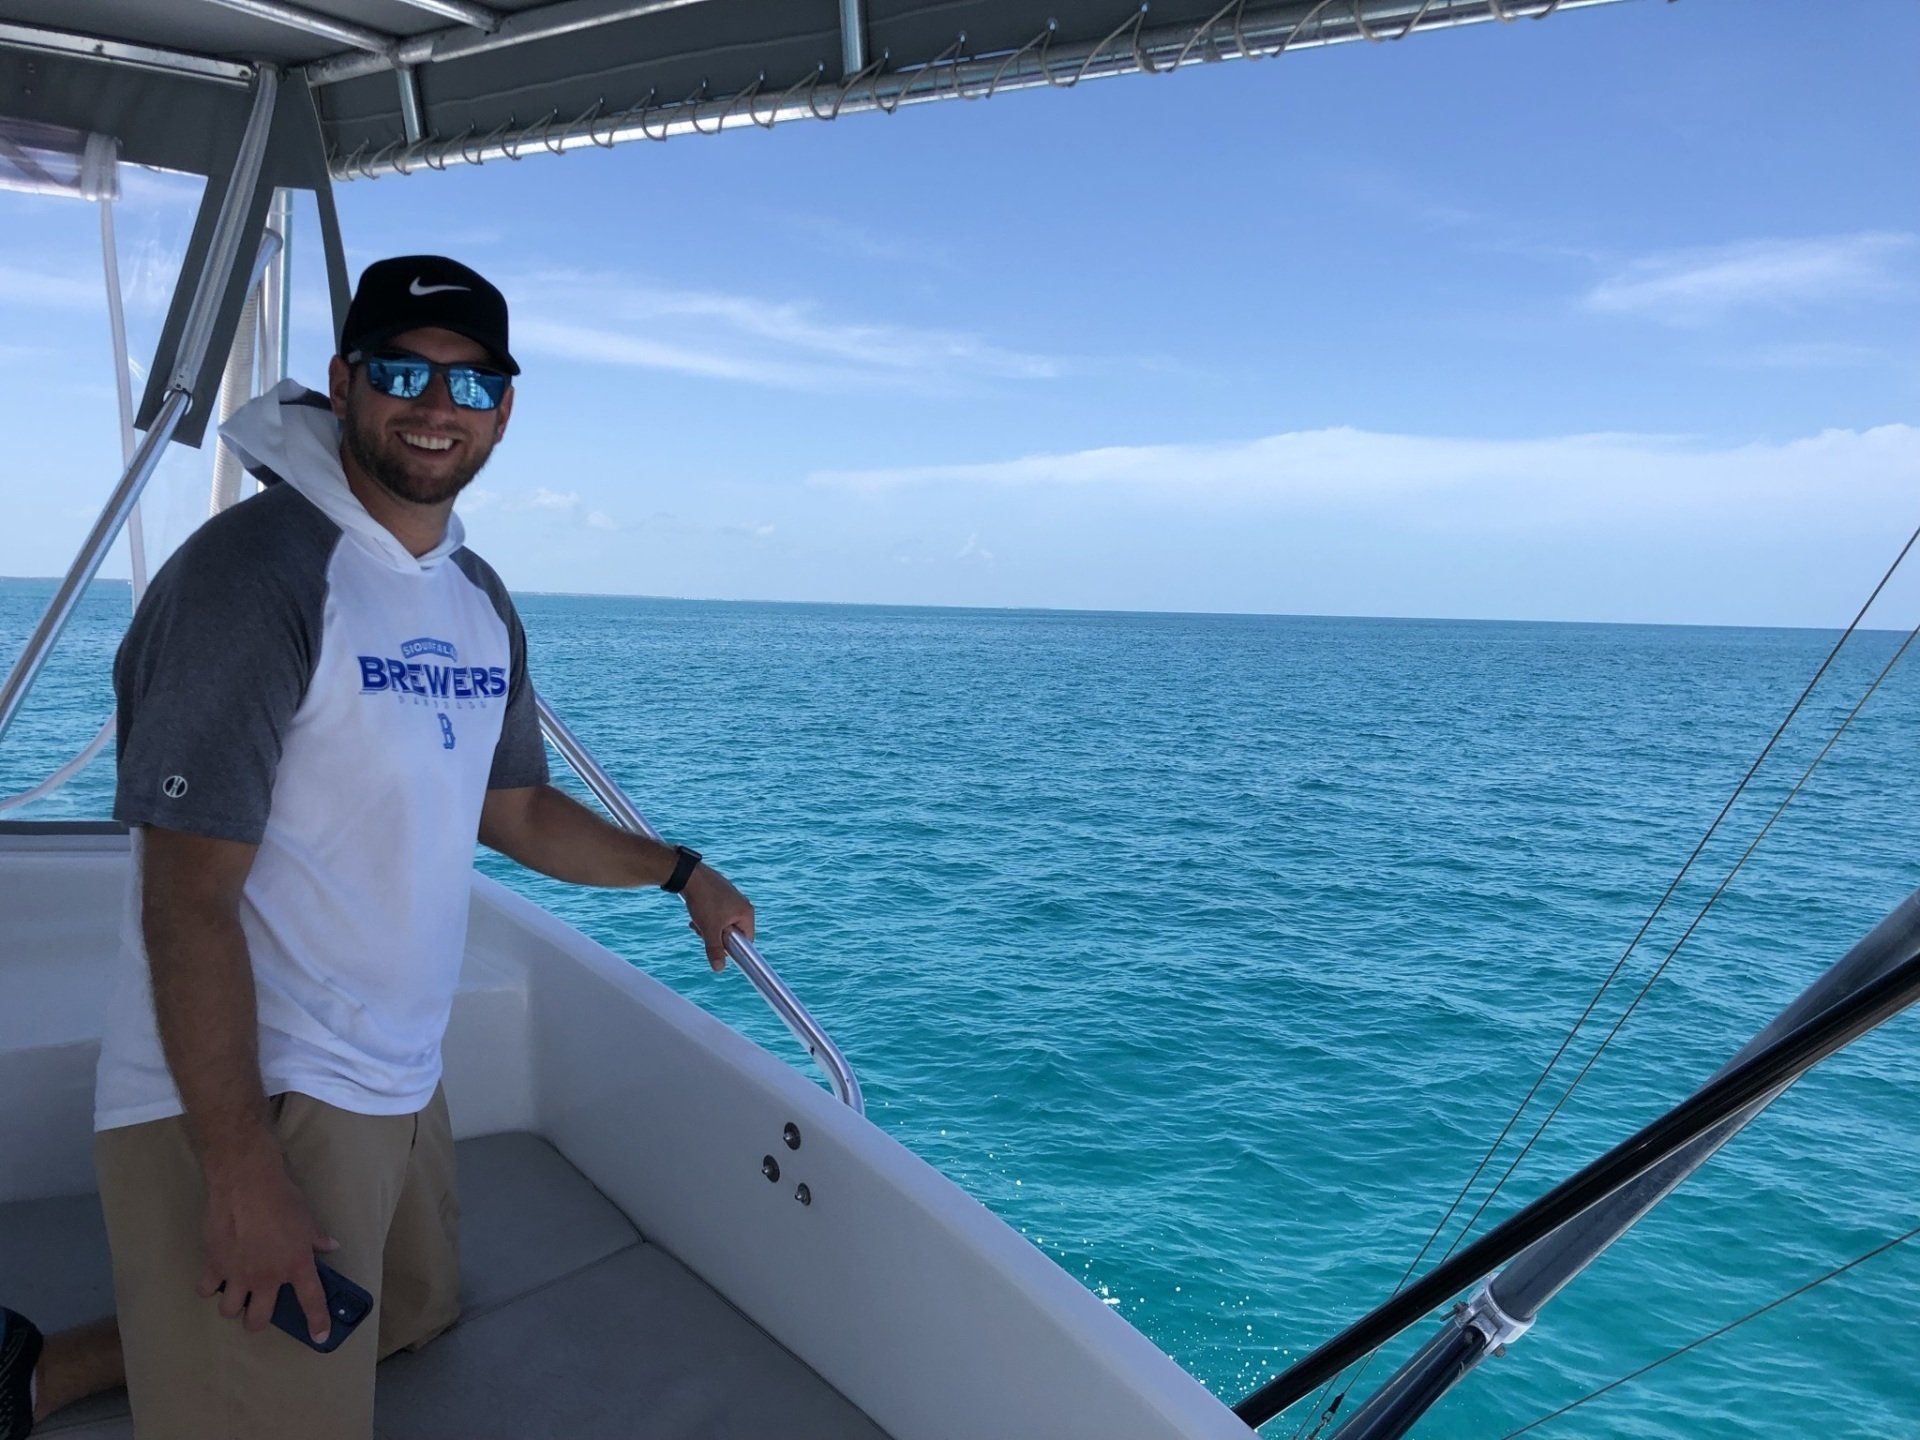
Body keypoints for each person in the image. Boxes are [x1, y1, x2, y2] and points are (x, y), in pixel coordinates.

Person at [0, 256, 754, 1440]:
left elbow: (515, 810)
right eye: (403, 371)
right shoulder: (254, 580)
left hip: (398, 1070)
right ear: (346, 382)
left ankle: (66, 1363)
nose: (435, 405)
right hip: (256, 1086)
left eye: (470, 381)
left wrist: (677, 870)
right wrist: (242, 1172)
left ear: (506, 406)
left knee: (406, 1316)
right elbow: (185, 901)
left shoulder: (471, 593)